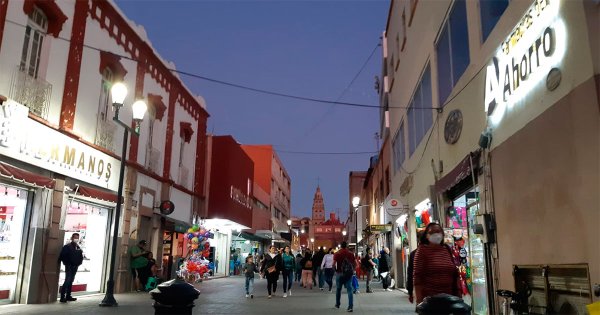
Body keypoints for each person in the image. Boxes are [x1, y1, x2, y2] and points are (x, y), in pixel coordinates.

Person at [413, 222, 459, 304]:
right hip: (430, 299)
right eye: (432, 232)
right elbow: (417, 277)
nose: (436, 234)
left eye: (438, 231)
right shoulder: (422, 251)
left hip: (449, 298)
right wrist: (419, 300)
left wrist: (458, 293)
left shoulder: (446, 249)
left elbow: (454, 272)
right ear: (427, 235)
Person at [58, 233, 84, 303]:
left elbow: (81, 256)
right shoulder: (67, 247)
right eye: (75, 237)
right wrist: (67, 263)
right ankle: (62, 297)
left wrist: (79, 263)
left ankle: (68, 296)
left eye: (77, 238)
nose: (76, 239)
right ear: (72, 238)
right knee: (67, 281)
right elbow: (63, 256)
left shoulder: (78, 247)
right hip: (69, 266)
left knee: (71, 281)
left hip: (75, 266)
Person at [333, 241, 355, 312]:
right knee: (349, 290)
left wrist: (335, 270)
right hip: (348, 274)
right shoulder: (351, 254)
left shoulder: (337, 254)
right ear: (347, 246)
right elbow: (354, 264)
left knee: (338, 289)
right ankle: (350, 306)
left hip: (339, 273)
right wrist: (352, 271)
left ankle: (337, 304)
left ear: (341, 246)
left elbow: (333, 264)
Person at [407, 231, 423, 303]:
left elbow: (410, 274)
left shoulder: (414, 254)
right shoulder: (437, 252)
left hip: (420, 288)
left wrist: (410, 292)